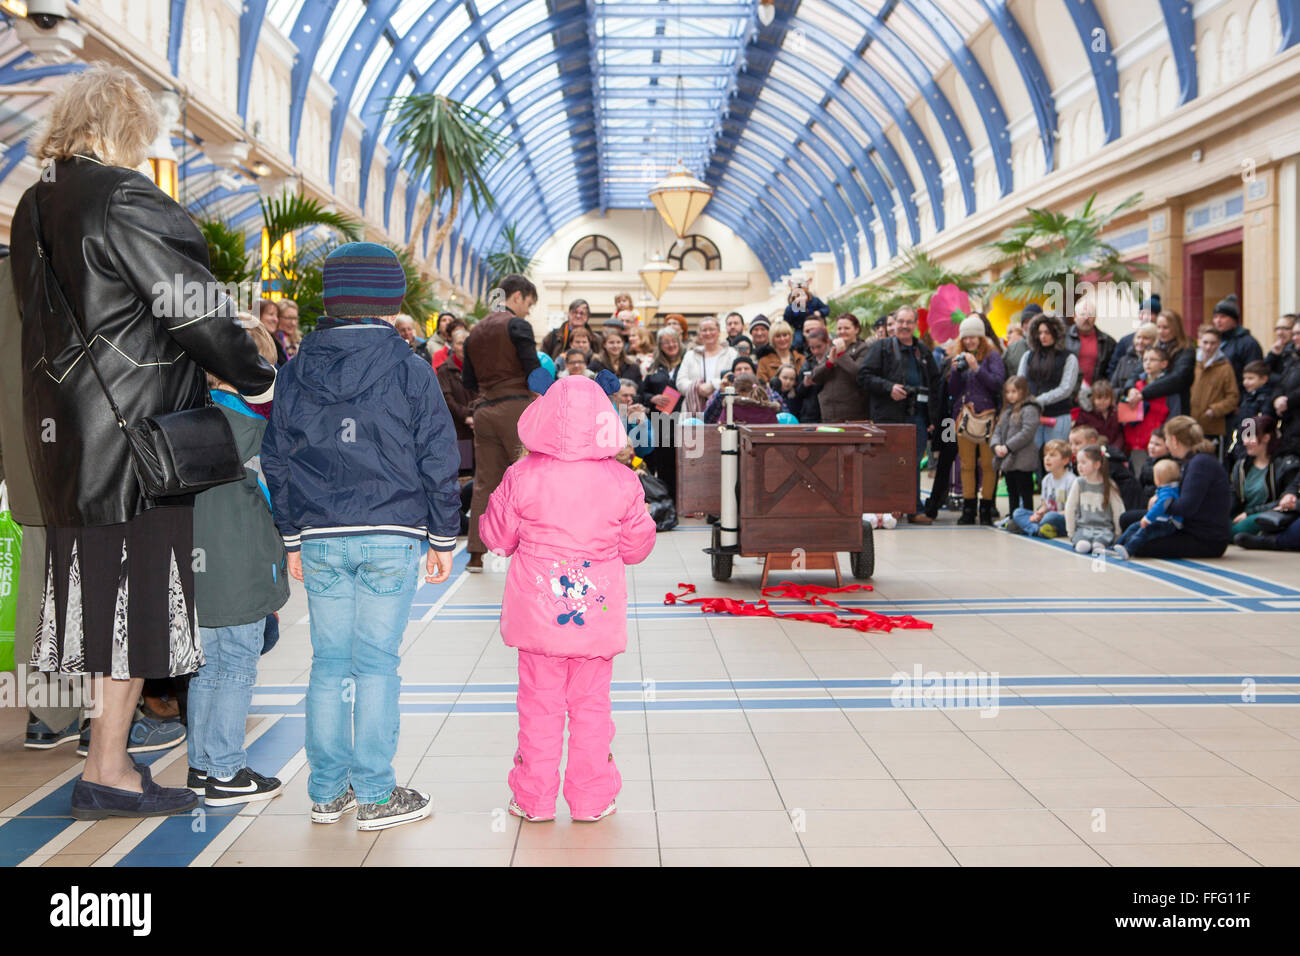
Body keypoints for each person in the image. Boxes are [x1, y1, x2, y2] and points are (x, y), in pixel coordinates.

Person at [11, 65, 276, 818]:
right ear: (126, 129)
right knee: (132, 614)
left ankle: (108, 762)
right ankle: (106, 770)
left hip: (67, 443)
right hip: (136, 443)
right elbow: (191, 304)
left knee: (106, 614)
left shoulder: (34, 205)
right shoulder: (123, 197)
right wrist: (254, 376)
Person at [261, 242, 459, 831]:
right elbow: (437, 455)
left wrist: (292, 536)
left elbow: (278, 458)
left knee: (328, 665)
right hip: (392, 532)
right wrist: (444, 536)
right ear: (389, 299)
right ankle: (375, 795)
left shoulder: (295, 371)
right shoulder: (409, 368)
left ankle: (327, 793)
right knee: (375, 665)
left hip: (321, 535)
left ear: (332, 298)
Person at [479, 373, 657, 823]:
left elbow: (496, 538)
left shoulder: (521, 475)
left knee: (538, 707)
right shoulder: (621, 480)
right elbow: (637, 548)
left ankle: (534, 800)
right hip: (595, 623)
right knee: (592, 708)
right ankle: (591, 799)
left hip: (538, 622)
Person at [187, 356, 290, 806]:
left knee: (206, 669)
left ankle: (201, 766)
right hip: (243, 567)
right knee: (237, 668)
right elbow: (276, 496)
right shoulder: (257, 430)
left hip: (196, 565)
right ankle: (227, 771)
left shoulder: (184, 420)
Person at [461, 275, 543, 573]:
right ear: (517, 296)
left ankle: (475, 554)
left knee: (484, 483)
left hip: (484, 411)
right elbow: (533, 371)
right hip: (516, 410)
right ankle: (535, 550)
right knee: (528, 480)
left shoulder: (474, 333)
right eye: (529, 304)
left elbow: (468, 381)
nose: (528, 312)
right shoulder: (517, 326)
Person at [859, 306, 939, 521]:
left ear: (915, 325)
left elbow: (935, 382)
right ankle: (886, 507)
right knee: (888, 463)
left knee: (912, 463)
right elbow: (864, 376)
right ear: (893, 324)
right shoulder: (882, 348)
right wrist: (889, 388)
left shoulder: (922, 351)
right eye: (900, 321)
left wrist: (933, 419)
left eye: (909, 322)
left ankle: (914, 508)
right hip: (888, 415)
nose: (904, 326)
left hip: (917, 416)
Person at [927, 316, 1005, 524]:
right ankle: (969, 509)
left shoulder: (992, 356)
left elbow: (997, 384)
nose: (970, 341)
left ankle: (986, 508)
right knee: (966, 466)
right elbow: (953, 391)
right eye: (966, 337)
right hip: (963, 419)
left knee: (988, 466)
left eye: (974, 337)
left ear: (981, 337)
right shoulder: (958, 356)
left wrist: (976, 369)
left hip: (987, 418)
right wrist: (954, 372)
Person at [1124, 416, 1232, 558]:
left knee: (1137, 545)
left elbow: (1186, 507)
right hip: (1190, 526)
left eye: (1167, 440)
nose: (1167, 444)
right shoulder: (1195, 460)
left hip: (1206, 539)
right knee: (1126, 519)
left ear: (1174, 440)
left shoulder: (1199, 464)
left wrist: (1160, 503)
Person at [1227, 416, 1298, 536]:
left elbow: (1284, 501)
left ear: (1266, 438)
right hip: (1243, 513)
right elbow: (1234, 496)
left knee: (1234, 530)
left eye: (1250, 437)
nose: (1245, 442)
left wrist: (1249, 513)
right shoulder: (1242, 466)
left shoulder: (1285, 464)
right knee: (1215, 524)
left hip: (1267, 514)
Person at [1017, 313, 1079, 448]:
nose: (1043, 336)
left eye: (1047, 332)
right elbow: (1020, 383)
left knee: (1056, 456)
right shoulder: (1028, 356)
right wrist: (1027, 401)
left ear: (1056, 333)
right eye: (1040, 332)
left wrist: (1040, 400)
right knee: (1032, 459)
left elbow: (1066, 388)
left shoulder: (1069, 358)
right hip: (1032, 415)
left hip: (1058, 415)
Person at [1125, 309, 1194, 422]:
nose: (1161, 331)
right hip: (1149, 406)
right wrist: (1130, 388)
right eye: (1158, 327)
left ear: (1176, 328)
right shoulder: (1155, 346)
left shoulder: (1186, 350)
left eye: (1165, 328)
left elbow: (1178, 378)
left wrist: (1144, 393)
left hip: (1174, 406)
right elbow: (1136, 373)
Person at [991, 376, 1042, 522]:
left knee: (1025, 490)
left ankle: (1026, 518)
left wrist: (1007, 447)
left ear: (1023, 391)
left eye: (1014, 391)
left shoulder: (1030, 408)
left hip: (1023, 458)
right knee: (1011, 488)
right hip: (1008, 458)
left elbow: (1027, 432)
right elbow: (998, 430)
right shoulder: (1007, 410)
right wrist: (996, 446)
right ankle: (1013, 516)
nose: (1010, 395)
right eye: (1007, 392)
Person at [1112, 458, 1182, 560]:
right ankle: (1115, 546)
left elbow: (1159, 508)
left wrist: (1147, 518)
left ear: (1157, 479)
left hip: (1167, 523)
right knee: (1134, 527)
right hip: (1160, 520)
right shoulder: (1166, 489)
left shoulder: (1168, 493)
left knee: (1144, 531)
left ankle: (1128, 550)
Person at [1190, 325, 1240, 457]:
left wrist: (1214, 410)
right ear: (1199, 341)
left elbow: (1233, 397)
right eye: (1205, 342)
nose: (1208, 347)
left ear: (1219, 344)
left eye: (1213, 343)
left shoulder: (1225, 368)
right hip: (1190, 425)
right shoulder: (1191, 363)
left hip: (1213, 427)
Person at [1008, 439, 1075, 537]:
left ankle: (1031, 528)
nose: (1047, 458)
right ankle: (1039, 530)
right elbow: (1045, 505)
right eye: (1045, 455)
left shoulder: (1071, 480)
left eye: (1052, 455)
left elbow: (1073, 510)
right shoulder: (1046, 480)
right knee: (1018, 513)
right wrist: (1039, 513)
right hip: (1047, 517)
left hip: (1063, 518)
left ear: (1065, 460)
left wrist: (1046, 515)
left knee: (1051, 516)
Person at [1064, 444, 1123, 554]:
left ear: (1097, 464)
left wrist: (1117, 534)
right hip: (1083, 529)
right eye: (1078, 463)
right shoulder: (1079, 483)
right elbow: (1070, 508)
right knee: (1082, 547)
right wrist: (1071, 533)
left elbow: (1118, 511)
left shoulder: (1109, 484)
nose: (1079, 466)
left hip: (1104, 530)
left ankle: (1104, 548)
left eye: (1083, 462)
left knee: (1097, 546)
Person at [677, 316, 737, 417]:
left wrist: (713, 385)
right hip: (692, 412)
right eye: (704, 330)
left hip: (722, 409)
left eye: (712, 329)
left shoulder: (731, 354)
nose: (708, 333)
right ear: (699, 334)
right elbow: (680, 382)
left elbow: (735, 378)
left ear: (718, 331)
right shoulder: (690, 355)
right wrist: (698, 388)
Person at [437, 326, 476, 473]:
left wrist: (476, 416)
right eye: (460, 343)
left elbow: (484, 393)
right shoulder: (444, 370)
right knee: (464, 474)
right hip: (459, 432)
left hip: (479, 430)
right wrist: (466, 416)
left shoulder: (478, 368)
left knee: (479, 476)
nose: (463, 347)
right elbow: (446, 399)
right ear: (452, 346)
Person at [1122, 347, 1173, 457]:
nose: (1148, 363)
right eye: (1145, 360)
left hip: (1157, 442)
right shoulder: (1136, 386)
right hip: (1134, 441)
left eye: (1153, 360)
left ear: (1164, 364)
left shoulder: (1169, 387)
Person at [1234, 469, 1300, 550]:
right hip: (1286, 509)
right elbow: (1296, 484)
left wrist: (1296, 505)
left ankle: (1271, 541)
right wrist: (1290, 494)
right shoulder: (1242, 464)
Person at [1211, 294, 1263, 389]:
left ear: (1234, 320)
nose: (1218, 321)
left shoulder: (1248, 343)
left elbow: (1255, 374)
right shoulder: (1214, 341)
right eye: (1215, 317)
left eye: (1223, 317)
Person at [1066, 299, 1116, 387]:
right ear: (1075, 317)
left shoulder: (1107, 342)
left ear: (1095, 317)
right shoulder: (1063, 338)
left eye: (1090, 314)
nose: (1086, 318)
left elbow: (1112, 370)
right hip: (1068, 391)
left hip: (1096, 394)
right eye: (1082, 314)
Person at [1073, 378, 1125, 453]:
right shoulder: (1085, 414)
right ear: (1093, 399)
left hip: (1114, 451)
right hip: (1092, 453)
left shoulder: (1115, 413)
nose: (1102, 402)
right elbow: (1077, 434)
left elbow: (1119, 434)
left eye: (1106, 398)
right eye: (1099, 398)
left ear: (1111, 398)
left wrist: (1115, 449)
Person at [590, 320, 643, 388]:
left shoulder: (632, 366)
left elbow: (640, 391)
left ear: (623, 343)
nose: (615, 346)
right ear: (604, 345)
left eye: (618, 342)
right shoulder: (596, 364)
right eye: (611, 342)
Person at [1109, 322, 1157, 395]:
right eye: (1138, 337)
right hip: (1123, 403)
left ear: (1154, 341)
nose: (1140, 341)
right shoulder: (1124, 360)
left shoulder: (1157, 362)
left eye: (1146, 338)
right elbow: (1111, 388)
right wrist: (1127, 392)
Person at [795, 327, 828, 424]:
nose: (815, 351)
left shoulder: (833, 360)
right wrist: (805, 384)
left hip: (830, 410)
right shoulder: (808, 363)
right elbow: (799, 392)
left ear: (827, 343)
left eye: (819, 347)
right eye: (812, 348)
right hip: (811, 413)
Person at [1002, 304, 1042, 382]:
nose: (1028, 325)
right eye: (1025, 322)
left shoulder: (1050, 345)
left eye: (1031, 321)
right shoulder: (1011, 349)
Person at [756, 319, 803, 384]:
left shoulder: (801, 358)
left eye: (785, 335)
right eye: (778, 336)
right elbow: (762, 386)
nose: (782, 339)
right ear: (772, 339)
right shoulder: (764, 361)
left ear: (790, 336)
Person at [258, 298, 287, 365]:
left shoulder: (276, 342)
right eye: (271, 314)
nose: (275, 319)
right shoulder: (254, 342)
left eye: (277, 316)